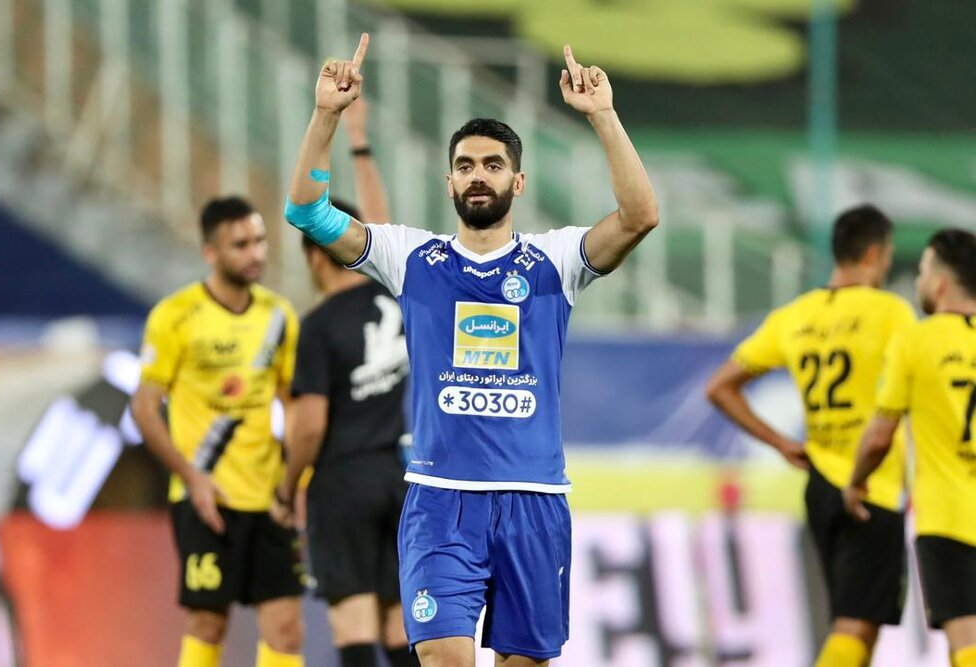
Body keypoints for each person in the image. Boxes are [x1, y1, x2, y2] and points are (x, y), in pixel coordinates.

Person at [280, 33, 659, 667]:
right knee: (442, 656)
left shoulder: (556, 261)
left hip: (534, 501)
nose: (477, 175)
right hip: (439, 500)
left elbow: (640, 215)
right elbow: (306, 211)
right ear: (449, 180)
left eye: (491, 165)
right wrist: (326, 115)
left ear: (518, 181)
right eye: (464, 165)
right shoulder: (412, 258)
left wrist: (603, 116)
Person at [705, 205, 915, 667]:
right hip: (870, 484)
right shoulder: (890, 312)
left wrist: (780, 442)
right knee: (855, 626)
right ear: (875, 254)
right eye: (886, 256)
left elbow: (720, 388)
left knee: (856, 624)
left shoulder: (794, 315)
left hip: (820, 483)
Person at [272, 96, 418, 667]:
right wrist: (359, 142)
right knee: (398, 624)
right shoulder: (392, 293)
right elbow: (382, 226)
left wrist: (289, 486)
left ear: (316, 257)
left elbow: (310, 426)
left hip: (341, 482)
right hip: (397, 475)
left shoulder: (317, 327)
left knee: (353, 623)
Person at [131, 196, 305, 667]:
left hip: (269, 498)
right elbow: (144, 408)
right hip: (206, 498)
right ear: (210, 252)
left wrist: (295, 482)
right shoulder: (175, 315)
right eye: (240, 245)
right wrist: (192, 478)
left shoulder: (279, 315)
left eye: (260, 241)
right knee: (208, 623)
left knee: (286, 628)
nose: (255, 253)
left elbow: (292, 405)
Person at [843, 228, 976, 667]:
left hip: (949, 517)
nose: (918, 280)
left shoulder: (916, 341)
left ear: (940, 283)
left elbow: (880, 436)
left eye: (922, 271)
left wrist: (856, 481)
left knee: (968, 641)